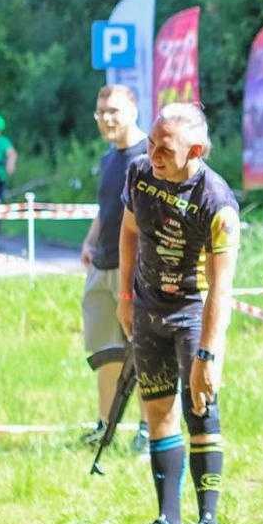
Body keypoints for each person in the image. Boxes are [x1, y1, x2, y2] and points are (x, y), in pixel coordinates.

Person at [116, 103, 240, 524]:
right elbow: (128, 230)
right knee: (157, 412)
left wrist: (209, 356)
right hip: (147, 310)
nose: (153, 154)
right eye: (150, 143)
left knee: (200, 409)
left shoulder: (217, 202)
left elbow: (221, 289)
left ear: (196, 149)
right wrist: (125, 296)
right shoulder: (138, 175)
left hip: (193, 313)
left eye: (164, 148)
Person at [78, 84, 153, 454]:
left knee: (142, 354)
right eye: (101, 111)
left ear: (133, 111)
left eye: (114, 111)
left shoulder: (148, 158)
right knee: (105, 353)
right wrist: (90, 242)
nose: (107, 118)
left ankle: (146, 429)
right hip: (101, 267)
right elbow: (105, 209)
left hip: (135, 273)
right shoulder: (110, 159)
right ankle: (104, 426)